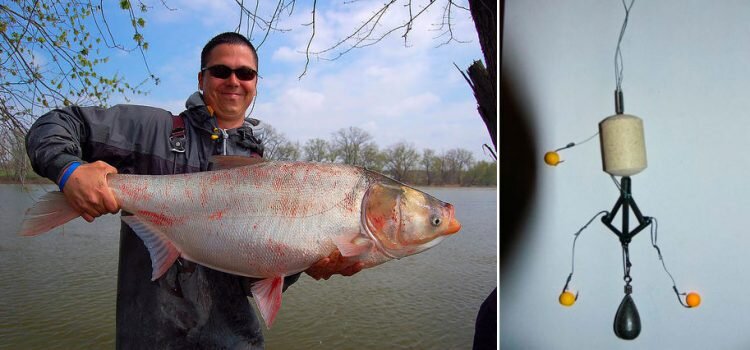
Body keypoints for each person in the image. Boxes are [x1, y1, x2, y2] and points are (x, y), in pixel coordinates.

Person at [25, 32, 362, 349]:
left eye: (246, 73)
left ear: (256, 84)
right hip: (148, 339)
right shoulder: (150, 130)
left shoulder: (264, 171)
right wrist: (68, 170)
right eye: (221, 71)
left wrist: (303, 264)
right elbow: (57, 123)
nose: (234, 80)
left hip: (234, 341)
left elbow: (251, 280)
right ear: (201, 79)